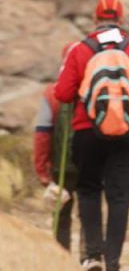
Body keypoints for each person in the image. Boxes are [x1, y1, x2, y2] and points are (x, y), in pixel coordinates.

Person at [54, 0, 129, 271]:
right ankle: (113, 264)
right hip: (127, 133)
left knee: (88, 190)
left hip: (87, 130)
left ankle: (93, 256)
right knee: (119, 197)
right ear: (122, 20)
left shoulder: (79, 49)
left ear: (94, 19)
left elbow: (63, 94)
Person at [33, 46, 78, 253]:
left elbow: (42, 133)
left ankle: (63, 257)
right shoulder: (92, 88)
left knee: (61, 216)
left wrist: (42, 169)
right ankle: (90, 256)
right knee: (89, 213)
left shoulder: (52, 91)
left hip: (61, 167)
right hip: (88, 163)